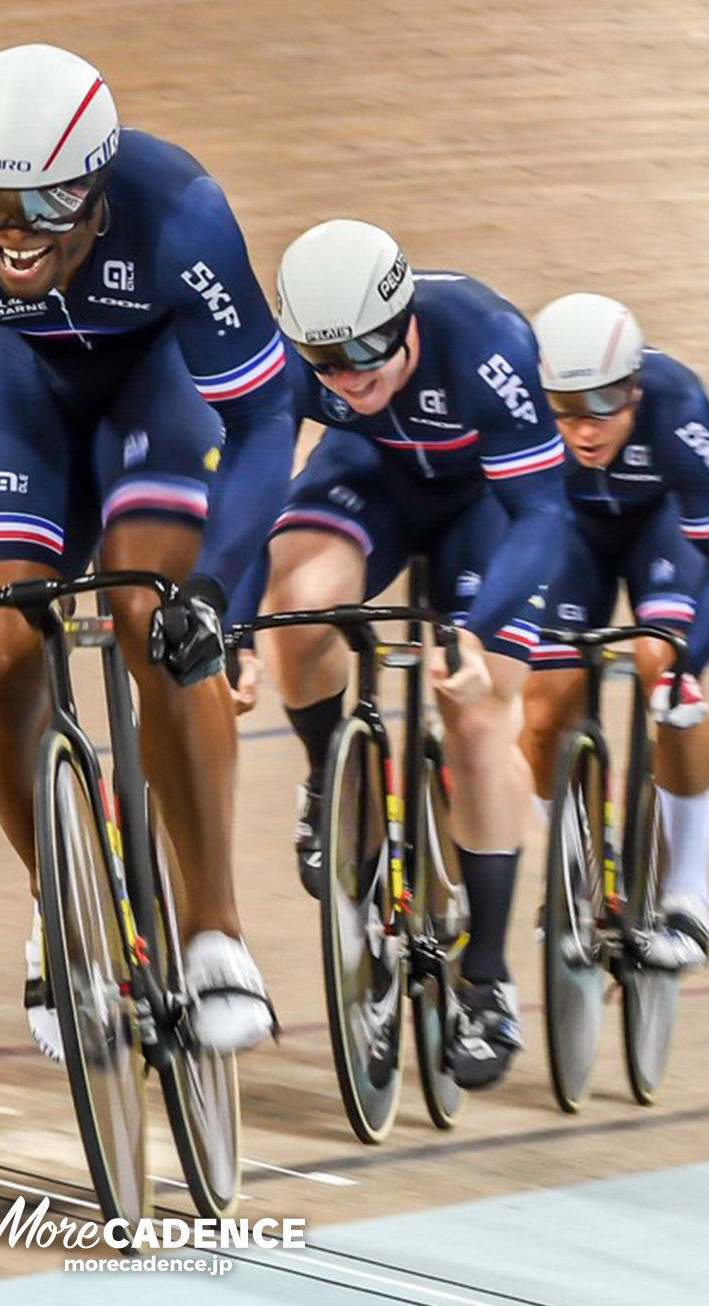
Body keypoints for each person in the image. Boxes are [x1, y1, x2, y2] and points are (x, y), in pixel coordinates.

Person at [0, 46, 296, 1058]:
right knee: (0, 658)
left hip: (157, 392)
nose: (10, 236)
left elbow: (267, 416)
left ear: (97, 186)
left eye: (43, 206)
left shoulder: (180, 213)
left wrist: (216, 589)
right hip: (27, 403)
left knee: (153, 618)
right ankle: (61, 908)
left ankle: (216, 931)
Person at [238, 219, 570, 1089]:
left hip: (484, 506)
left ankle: (488, 981)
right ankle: (326, 779)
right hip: (372, 477)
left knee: (475, 709)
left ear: (406, 314)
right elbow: (255, 486)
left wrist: (478, 628)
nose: (349, 375)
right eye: (327, 362)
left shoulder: (489, 343)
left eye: (367, 352)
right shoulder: (305, 368)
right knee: (299, 610)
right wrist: (236, 629)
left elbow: (542, 511)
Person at [524, 293, 709, 970]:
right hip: (569, 535)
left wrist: (689, 667)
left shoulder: (676, 404)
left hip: (662, 530)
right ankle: (579, 872)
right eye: (567, 411)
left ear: (635, 388)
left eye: (604, 406)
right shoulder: (521, 406)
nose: (586, 429)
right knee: (544, 711)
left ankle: (688, 894)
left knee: (662, 665)